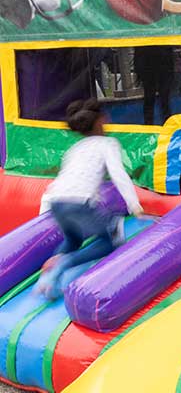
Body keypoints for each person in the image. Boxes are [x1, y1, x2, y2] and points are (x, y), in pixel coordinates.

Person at [35, 100, 144, 299]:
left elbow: (64, 180)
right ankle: (64, 263)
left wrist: (45, 212)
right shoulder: (108, 144)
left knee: (73, 239)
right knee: (110, 240)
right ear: (101, 122)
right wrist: (135, 206)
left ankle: (46, 280)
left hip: (56, 202)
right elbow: (119, 175)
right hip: (78, 203)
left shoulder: (74, 149)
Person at [133, 45, 174, 125]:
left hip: (161, 66)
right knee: (152, 98)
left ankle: (165, 123)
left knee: (162, 99)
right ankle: (150, 124)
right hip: (149, 66)